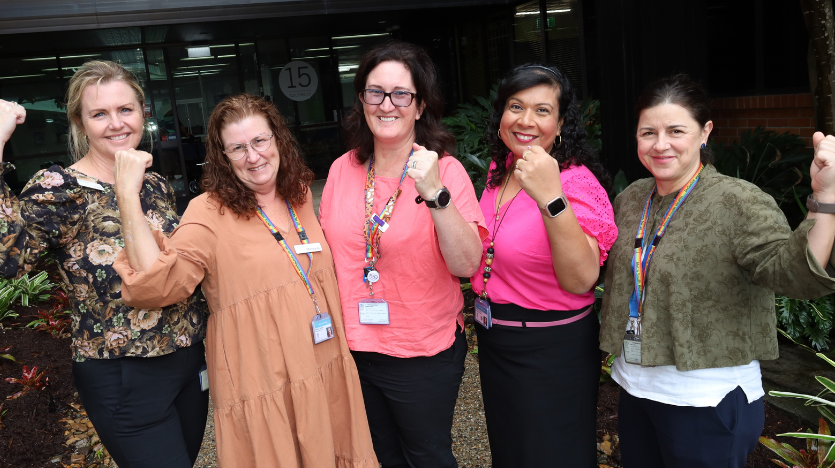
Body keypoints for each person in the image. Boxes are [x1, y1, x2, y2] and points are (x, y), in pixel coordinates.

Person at [112, 94, 379, 468]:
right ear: (223, 157)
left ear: (278, 140)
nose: (253, 157)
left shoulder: (299, 193)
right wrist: (127, 196)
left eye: (259, 141)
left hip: (323, 363)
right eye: (237, 148)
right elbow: (158, 286)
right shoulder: (208, 211)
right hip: (263, 379)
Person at [0, 60, 208, 468]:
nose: (116, 123)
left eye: (125, 110)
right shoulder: (59, 189)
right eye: (99, 114)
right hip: (123, 376)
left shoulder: (152, 183)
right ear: (80, 124)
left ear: (142, 113)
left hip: (188, 364)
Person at [600, 74, 835, 468]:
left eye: (676, 130)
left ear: (705, 132)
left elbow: (792, 274)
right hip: (635, 389)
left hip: (705, 400)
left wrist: (825, 199)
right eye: (648, 132)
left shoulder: (738, 201)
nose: (661, 144)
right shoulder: (631, 198)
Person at [318, 41, 486, 468]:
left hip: (420, 352)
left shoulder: (445, 171)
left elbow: (467, 265)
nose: (387, 104)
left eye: (401, 94)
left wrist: (435, 196)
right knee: (377, 455)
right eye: (375, 92)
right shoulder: (342, 170)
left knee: (426, 456)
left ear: (419, 106)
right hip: (354, 346)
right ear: (362, 100)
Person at [470, 63, 617, 467]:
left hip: (551, 350)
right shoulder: (500, 171)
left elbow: (582, 278)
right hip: (496, 340)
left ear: (561, 122)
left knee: (553, 454)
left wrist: (552, 197)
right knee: (511, 451)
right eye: (516, 106)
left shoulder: (575, 182)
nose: (526, 121)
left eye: (542, 110)